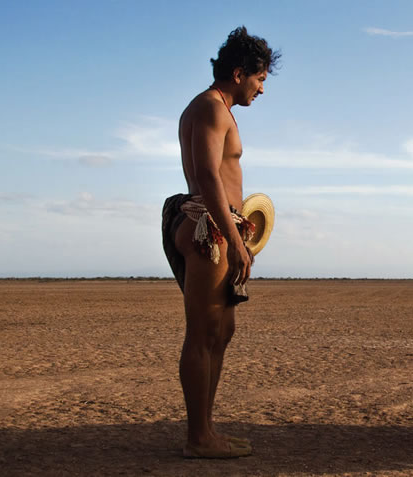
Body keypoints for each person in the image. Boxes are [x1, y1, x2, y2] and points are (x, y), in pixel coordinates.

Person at [161, 26, 279, 459]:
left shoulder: (211, 108)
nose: (262, 89)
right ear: (238, 72)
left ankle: (206, 430)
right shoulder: (211, 109)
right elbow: (210, 176)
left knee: (221, 332)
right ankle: (198, 437)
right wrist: (234, 239)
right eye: (260, 79)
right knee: (202, 334)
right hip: (209, 229)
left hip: (215, 224)